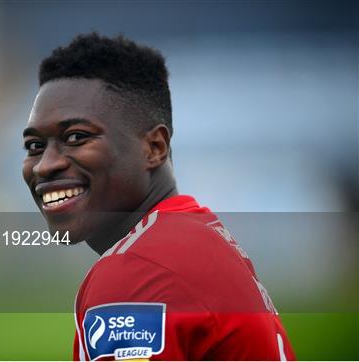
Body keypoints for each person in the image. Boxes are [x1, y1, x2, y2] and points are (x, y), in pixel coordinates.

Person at [22, 33, 295, 361]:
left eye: (76, 137)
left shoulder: (138, 274)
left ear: (154, 148)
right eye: (35, 146)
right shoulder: (194, 233)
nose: (45, 165)